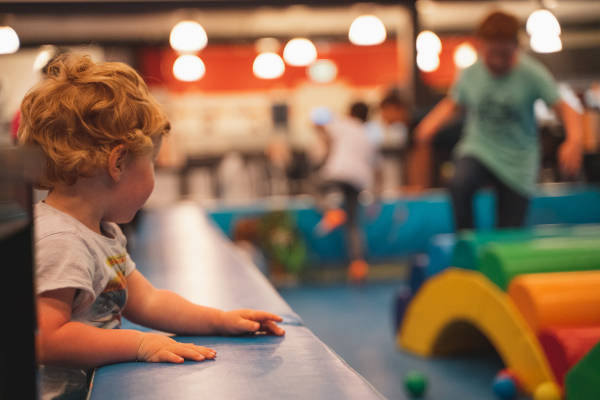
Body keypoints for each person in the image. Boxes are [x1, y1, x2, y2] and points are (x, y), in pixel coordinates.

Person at [18, 54, 285, 400]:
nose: (154, 177)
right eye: (152, 164)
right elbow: (47, 339)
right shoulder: (61, 240)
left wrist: (220, 320)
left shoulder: (102, 232)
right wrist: (138, 343)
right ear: (118, 163)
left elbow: (150, 301)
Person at [414, 11, 583, 230]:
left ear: (516, 47)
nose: (496, 61)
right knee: (459, 182)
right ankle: (466, 242)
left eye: (503, 54)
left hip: (518, 159)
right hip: (479, 149)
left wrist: (575, 140)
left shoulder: (532, 74)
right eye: (490, 53)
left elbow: (566, 108)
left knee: (509, 231)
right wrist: (429, 124)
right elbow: (453, 103)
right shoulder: (471, 73)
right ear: (480, 46)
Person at [311, 102, 381, 282]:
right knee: (353, 224)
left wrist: (326, 146)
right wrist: (376, 195)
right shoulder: (368, 135)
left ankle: (331, 212)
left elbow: (320, 126)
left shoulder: (343, 124)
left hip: (338, 171)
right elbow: (376, 167)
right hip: (359, 180)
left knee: (315, 186)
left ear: (350, 112)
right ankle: (358, 265)